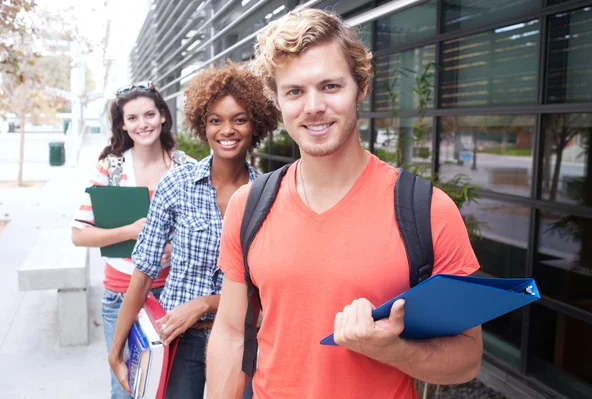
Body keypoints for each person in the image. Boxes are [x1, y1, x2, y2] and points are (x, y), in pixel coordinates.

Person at [207, 8, 483, 399]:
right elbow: (232, 334)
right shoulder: (249, 206)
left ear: (361, 86)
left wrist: (393, 350)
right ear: (277, 100)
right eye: (295, 91)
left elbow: (467, 358)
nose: (313, 106)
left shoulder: (428, 211)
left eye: (331, 86)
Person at [107, 63, 280, 398]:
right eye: (215, 120)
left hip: (240, 338)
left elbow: (266, 290)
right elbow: (143, 271)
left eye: (239, 119)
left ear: (255, 124)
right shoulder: (177, 184)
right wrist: (116, 348)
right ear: (203, 126)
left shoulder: (268, 195)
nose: (226, 130)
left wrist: (205, 303)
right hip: (178, 338)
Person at [72, 81, 194, 399]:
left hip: (174, 296)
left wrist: (176, 247)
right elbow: (79, 234)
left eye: (150, 114)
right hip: (120, 296)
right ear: (123, 125)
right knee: (127, 389)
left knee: (174, 387)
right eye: (133, 118)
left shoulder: (186, 168)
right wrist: (132, 231)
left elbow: (208, 230)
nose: (143, 124)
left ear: (163, 116)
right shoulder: (111, 169)